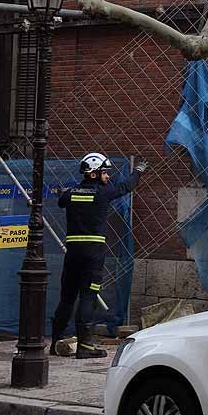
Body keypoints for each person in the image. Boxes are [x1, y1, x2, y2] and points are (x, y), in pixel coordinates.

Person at [50, 153, 148, 359]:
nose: (107, 176)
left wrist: (64, 191)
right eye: (104, 172)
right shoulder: (104, 192)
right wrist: (138, 172)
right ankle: (85, 345)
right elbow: (126, 187)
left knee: (67, 297)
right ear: (93, 174)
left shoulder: (71, 193)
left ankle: (56, 341)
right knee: (88, 295)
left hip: (73, 253)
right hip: (93, 254)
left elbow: (61, 200)